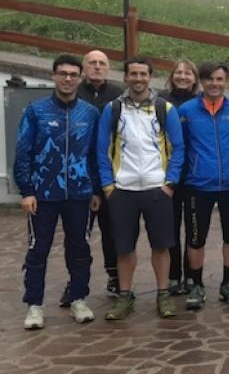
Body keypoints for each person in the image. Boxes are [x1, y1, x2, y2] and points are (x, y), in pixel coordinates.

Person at [96, 57, 184, 320]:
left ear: (150, 77)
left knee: (161, 245)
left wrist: (170, 183)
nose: (137, 79)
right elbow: (101, 149)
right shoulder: (112, 109)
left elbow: (178, 148)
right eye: (132, 74)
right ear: (125, 77)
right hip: (122, 190)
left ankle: (163, 294)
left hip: (157, 189)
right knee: (124, 248)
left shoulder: (164, 109)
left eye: (142, 74)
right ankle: (125, 297)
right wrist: (108, 186)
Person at [17, 55, 101, 329]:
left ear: (80, 78)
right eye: (62, 73)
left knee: (79, 248)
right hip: (43, 194)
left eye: (73, 74)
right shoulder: (36, 111)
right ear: (53, 76)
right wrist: (27, 190)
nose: (67, 79)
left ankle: (78, 298)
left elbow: (95, 155)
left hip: (80, 193)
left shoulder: (90, 113)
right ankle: (34, 305)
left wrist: (96, 190)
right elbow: (23, 152)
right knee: (38, 249)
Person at [178, 61, 229, 310]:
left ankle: (228, 283)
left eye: (219, 79)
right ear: (202, 81)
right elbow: (179, 147)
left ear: (225, 81)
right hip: (198, 185)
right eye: (209, 79)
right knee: (196, 238)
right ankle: (196, 285)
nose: (214, 84)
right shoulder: (186, 111)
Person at [76, 49, 124, 300]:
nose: (96, 67)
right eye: (92, 63)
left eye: (102, 63)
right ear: (84, 68)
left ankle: (115, 277)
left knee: (112, 230)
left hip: (110, 175)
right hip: (79, 176)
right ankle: (76, 283)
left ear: (108, 68)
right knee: (79, 234)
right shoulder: (74, 91)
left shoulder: (119, 94)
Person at [160, 59, 199, 295]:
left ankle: (192, 276)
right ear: (172, 76)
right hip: (167, 175)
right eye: (179, 72)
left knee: (194, 229)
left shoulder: (200, 103)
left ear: (195, 78)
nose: (183, 76)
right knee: (170, 227)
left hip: (194, 175)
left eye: (188, 73)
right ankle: (173, 275)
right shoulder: (161, 102)